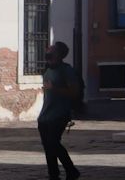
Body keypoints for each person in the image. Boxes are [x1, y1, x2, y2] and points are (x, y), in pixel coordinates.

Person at [37, 42, 83, 180]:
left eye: (51, 48)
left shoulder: (67, 70)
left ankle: (71, 170)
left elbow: (74, 92)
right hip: (44, 116)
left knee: (53, 143)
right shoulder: (47, 69)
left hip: (60, 115)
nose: (47, 49)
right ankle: (53, 174)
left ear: (57, 53)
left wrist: (54, 88)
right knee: (48, 146)